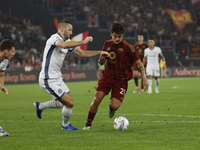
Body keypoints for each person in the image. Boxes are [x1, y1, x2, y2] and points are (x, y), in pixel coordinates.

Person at [33, 19, 109, 131]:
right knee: (69, 103)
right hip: (47, 79)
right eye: (69, 30)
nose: (71, 32)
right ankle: (65, 125)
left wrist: (99, 52)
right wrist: (83, 42)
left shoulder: (67, 41)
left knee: (64, 102)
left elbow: (82, 54)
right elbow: (63, 45)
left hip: (57, 78)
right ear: (62, 29)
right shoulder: (54, 38)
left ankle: (40, 106)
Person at [82, 22, 148, 130]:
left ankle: (111, 106)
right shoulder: (107, 44)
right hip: (107, 77)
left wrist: (144, 78)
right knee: (97, 99)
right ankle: (88, 125)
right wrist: (101, 60)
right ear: (111, 34)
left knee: (115, 106)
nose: (117, 39)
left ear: (123, 35)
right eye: (115, 36)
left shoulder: (129, 47)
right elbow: (101, 62)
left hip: (121, 80)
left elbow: (139, 63)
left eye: (119, 37)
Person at [0, 39, 15, 136]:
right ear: (6, 51)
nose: (13, 54)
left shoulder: (5, 60)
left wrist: (2, 86)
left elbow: (1, 75)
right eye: (12, 51)